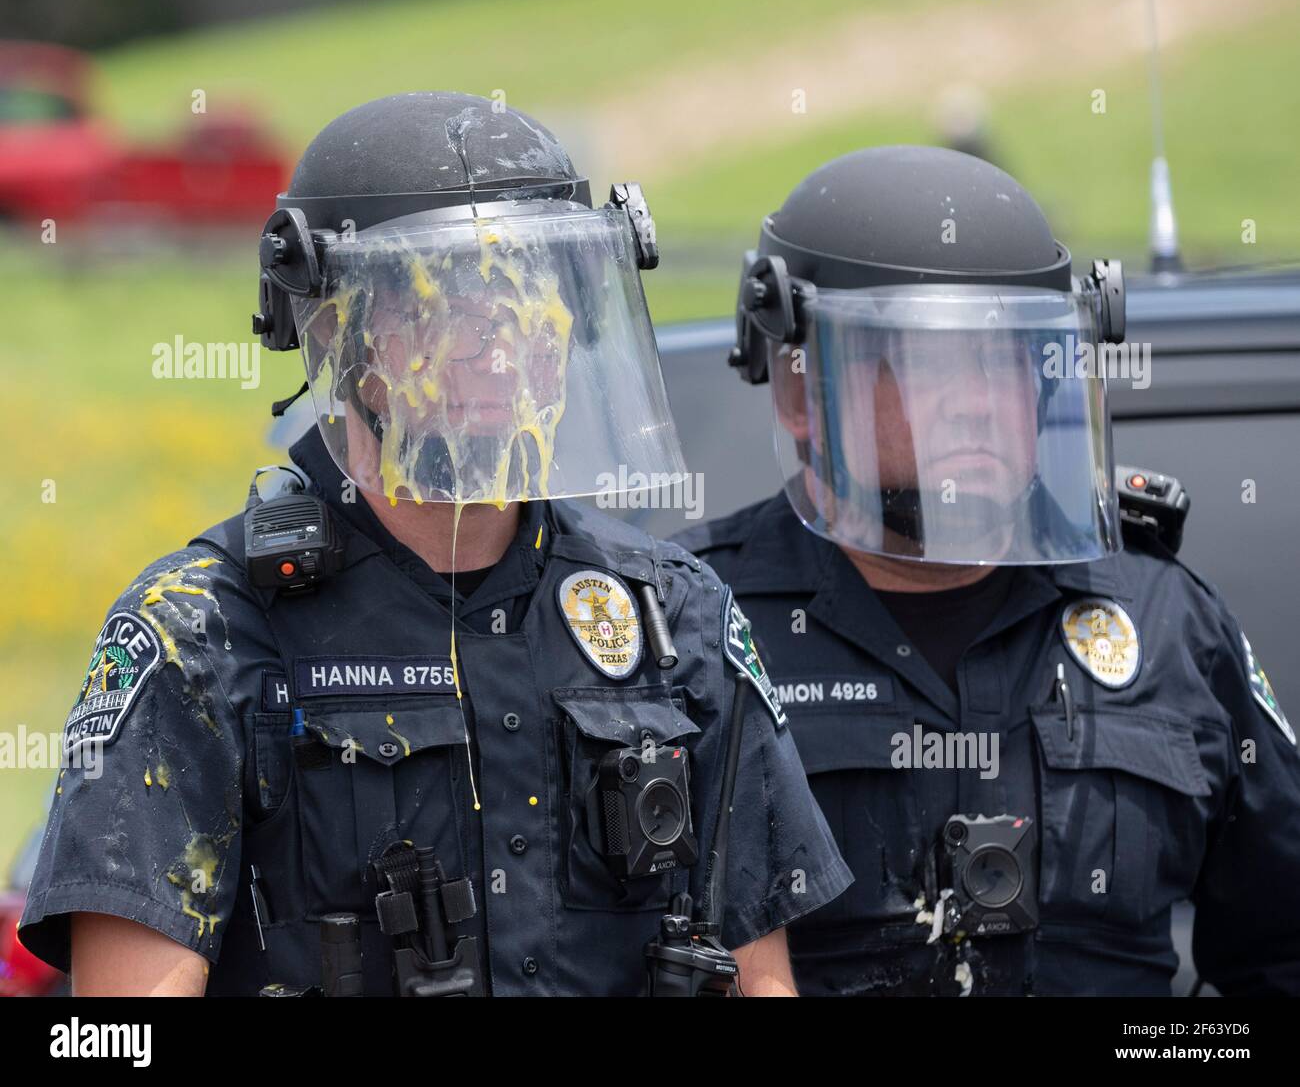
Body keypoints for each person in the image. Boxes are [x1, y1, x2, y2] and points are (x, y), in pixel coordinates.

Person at [19, 92, 850, 997]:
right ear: (336, 332)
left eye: (530, 299)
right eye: (442, 301)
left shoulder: (672, 613)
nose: (497, 346)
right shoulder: (200, 634)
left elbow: (763, 982)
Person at [676, 145, 1300, 996]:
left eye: (1008, 360)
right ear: (799, 391)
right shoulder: (697, 630)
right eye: (927, 361)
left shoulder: (1163, 621)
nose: (975, 398)